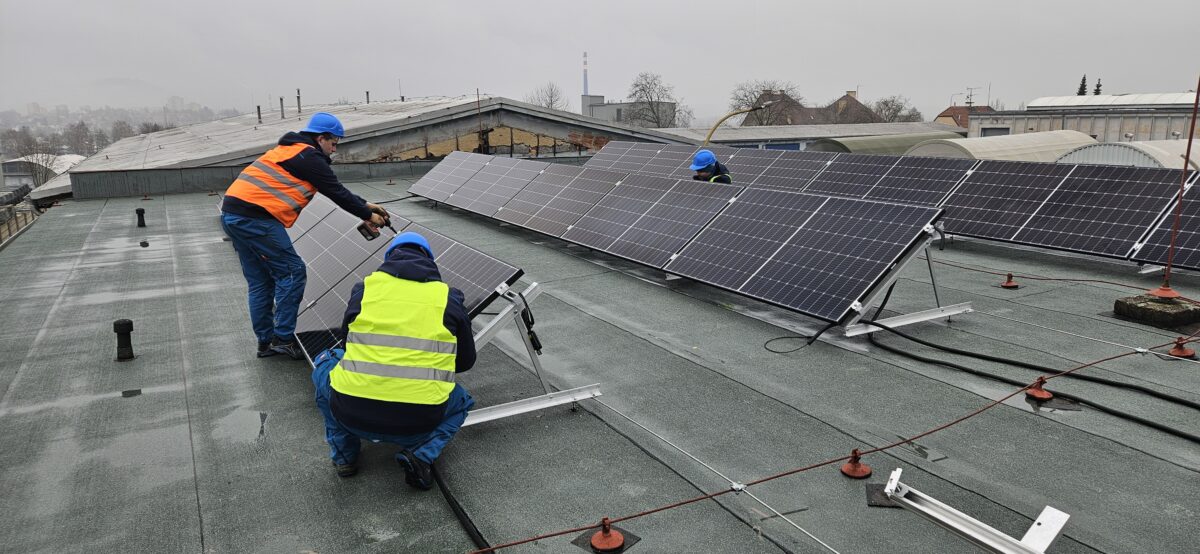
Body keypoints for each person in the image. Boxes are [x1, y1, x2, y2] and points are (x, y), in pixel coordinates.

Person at [311, 232, 477, 487]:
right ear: (430, 261)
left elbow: (348, 345)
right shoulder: (448, 299)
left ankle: (345, 457)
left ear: (388, 259)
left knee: (327, 361)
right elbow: (464, 362)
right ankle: (421, 455)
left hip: (349, 413)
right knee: (462, 401)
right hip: (419, 422)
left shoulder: (365, 290)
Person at [221, 112, 388, 359]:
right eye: (333, 143)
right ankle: (283, 338)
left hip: (233, 214)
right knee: (292, 271)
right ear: (321, 138)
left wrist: (366, 204)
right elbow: (335, 191)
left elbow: (331, 187)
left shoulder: (291, 150)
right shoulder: (309, 156)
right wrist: (366, 214)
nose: (334, 149)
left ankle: (265, 342)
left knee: (261, 281)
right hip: (256, 219)